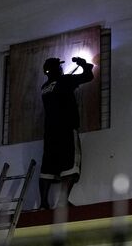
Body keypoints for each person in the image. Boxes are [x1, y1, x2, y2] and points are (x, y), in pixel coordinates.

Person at [39, 55, 94, 210]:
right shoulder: (64, 81)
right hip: (66, 129)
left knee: (48, 167)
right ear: (58, 69)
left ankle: (43, 204)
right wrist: (85, 65)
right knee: (71, 164)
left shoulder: (44, 87)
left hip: (50, 132)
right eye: (60, 66)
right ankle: (62, 202)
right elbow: (88, 77)